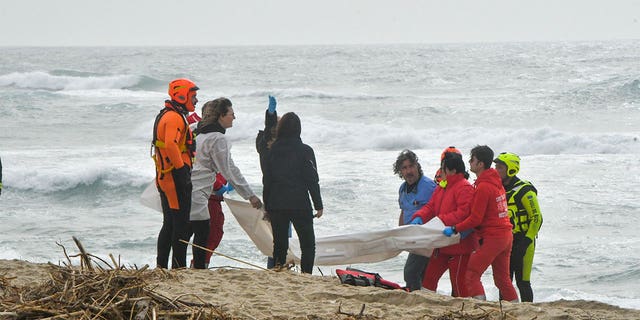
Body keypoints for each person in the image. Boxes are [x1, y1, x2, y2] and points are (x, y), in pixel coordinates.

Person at [189, 98, 263, 269]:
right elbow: (229, 169)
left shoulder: (198, 132)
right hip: (200, 192)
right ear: (221, 116)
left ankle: (181, 268)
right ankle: (199, 269)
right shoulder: (217, 138)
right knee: (206, 233)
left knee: (184, 232)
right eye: (231, 114)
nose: (234, 117)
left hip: (189, 188)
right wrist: (250, 196)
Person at [442, 145, 518, 301]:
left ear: (480, 164)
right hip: (506, 236)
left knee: (472, 273)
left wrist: (455, 228)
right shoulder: (496, 182)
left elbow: (476, 219)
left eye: (472, 159)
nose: (469, 162)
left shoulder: (484, 186)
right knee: (502, 279)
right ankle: (517, 310)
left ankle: (480, 307)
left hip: (494, 237)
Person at [263, 112, 323, 274]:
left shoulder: (272, 150)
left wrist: (267, 205)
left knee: (280, 244)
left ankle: (279, 272)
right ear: (299, 129)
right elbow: (312, 179)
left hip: (276, 203)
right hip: (299, 203)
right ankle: (306, 275)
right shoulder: (305, 151)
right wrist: (318, 205)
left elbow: (267, 180)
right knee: (308, 245)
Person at [410, 151, 476, 296]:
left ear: (452, 170)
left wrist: (441, 220)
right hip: (442, 244)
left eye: (443, 168)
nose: (441, 171)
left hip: (459, 245)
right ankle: (427, 303)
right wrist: (420, 216)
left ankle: (463, 310)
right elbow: (431, 206)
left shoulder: (464, 187)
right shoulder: (442, 186)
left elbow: (464, 213)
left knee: (458, 283)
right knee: (429, 280)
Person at [152, 78, 199, 269]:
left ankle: (162, 266)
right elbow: (171, 144)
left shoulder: (170, 115)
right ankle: (178, 267)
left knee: (170, 223)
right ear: (181, 95)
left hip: (166, 177)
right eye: (193, 96)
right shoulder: (173, 117)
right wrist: (181, 171)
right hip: (174, 178)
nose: (196, 101)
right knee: (180, 225)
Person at [187, 112, 234, 268]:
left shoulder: (204, 137)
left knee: (200, 232)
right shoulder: (206, 138)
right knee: (211, 232)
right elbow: (201, 168)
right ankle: (199, 265)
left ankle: (193, 264)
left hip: (206, 193)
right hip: (207, 195)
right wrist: (220, 186)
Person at [494, 152, 542, 302]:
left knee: (523, 282)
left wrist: (526, 242)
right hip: (505, 242)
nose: (496, 170)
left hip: (524, 242)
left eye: (500, 168)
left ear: (511, 170)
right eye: (496, 167)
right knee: (504, 282)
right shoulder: (497, 188)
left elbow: (537, 218)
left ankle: (528, 312)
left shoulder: (525, 191)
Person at [392, 149, 436, 291]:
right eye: (404, 168)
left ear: (417, 166)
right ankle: (420, 296)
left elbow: (439, 209)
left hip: (427, 237)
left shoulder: (429, 186)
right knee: (421, 274)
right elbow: (404, 211)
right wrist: (400, 233)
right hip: (413, 238)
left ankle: (415, 297)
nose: (408, 171)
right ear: (400, 171)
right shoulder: (402, 189)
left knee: (410, 272)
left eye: (411, 166)